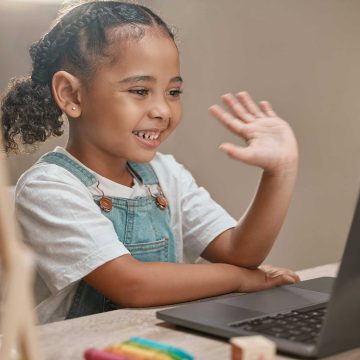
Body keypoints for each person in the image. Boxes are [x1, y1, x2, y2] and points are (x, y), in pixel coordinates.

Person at [0, 1, 300, 324]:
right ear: (71, 95)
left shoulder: (165, 174)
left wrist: (279, 172)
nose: (163, 110)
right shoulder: (48, 188)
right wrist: (240, 280)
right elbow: (132, 284)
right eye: (141, 90)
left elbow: (240, 252)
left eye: (173, 92)